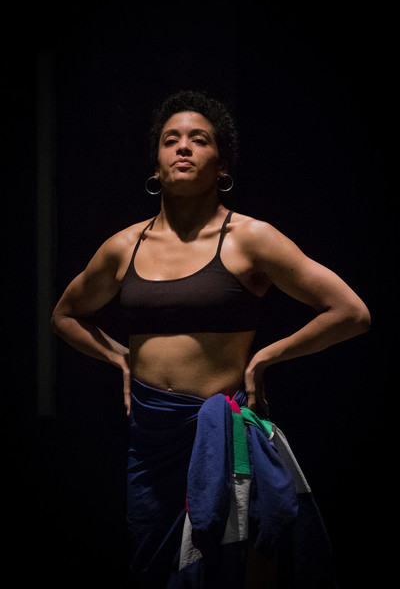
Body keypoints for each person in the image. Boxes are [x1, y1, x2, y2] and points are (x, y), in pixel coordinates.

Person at [51, 90, 370, 588]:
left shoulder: (250, 238)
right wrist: (120, 359)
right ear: (156, 164)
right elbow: (66, 316)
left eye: (199, 140)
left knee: (232, 568)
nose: (183, 147)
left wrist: (266, 357)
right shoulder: (124, 246)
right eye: (170, 140)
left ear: (222, 166)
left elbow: (350, 312)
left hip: (220, 432)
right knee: (154, 568)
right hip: (152, 439)